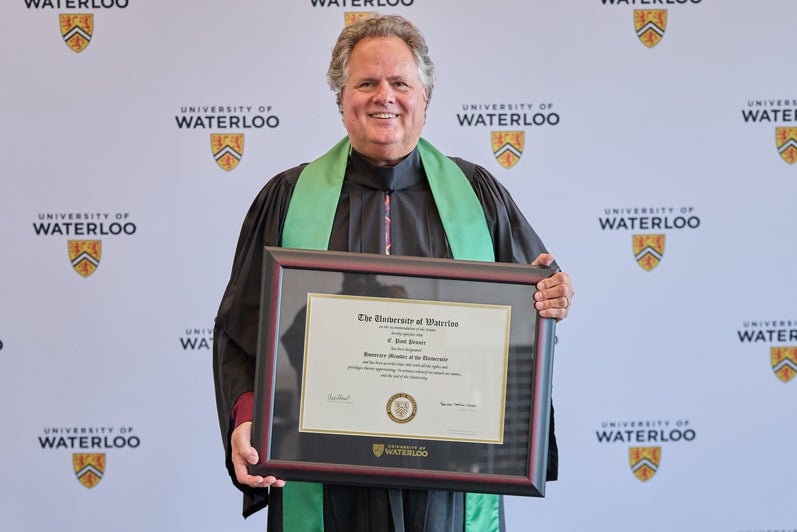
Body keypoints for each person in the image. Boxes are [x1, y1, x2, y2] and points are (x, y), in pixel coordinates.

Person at [213, 13, 574, 532]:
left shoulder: (478, 196)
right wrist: (246, 417)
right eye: (366, 83)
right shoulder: (288, 199)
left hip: (446, 483)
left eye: (400, 82)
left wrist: (554, 294)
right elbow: (241, 331)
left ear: (425, 96)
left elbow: (531, 309)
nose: (385, 96)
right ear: (341, 100)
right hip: (325, 478)